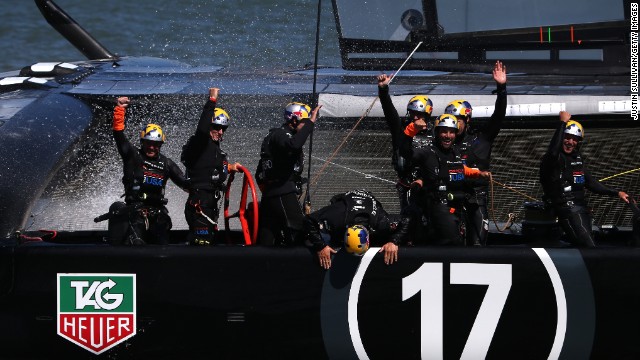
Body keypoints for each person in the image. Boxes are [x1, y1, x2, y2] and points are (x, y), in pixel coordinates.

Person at [106, 97, 189, 245]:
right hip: (135, 213)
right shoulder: (133, 156)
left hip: (158, 215)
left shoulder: (166, 163)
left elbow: (186, 184)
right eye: (148, 143)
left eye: (156, 145)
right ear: (142, 142)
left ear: (160, 145)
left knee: (163, 243)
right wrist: (119, 110)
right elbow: (118, 135)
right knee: (137, 242)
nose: (152, 147)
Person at [539, 111, 629, 247]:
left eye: (574, 139)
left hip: (581, 209)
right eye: (567, 137)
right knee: (588, 246)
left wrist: (617, 193)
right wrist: (562, 123)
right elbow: (552, 151)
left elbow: (591, 183)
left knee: (588, 244)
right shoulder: (553, 159)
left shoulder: (577, 158)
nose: (570, 142)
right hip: (567, 211)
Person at [400, 114, 491, 245]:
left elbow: (459, 169)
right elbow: (405, 152)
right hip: (439, 210)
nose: (448, 136)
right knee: (453, 246)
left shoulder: (455, 152)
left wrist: (478, 173)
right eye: (444, 131)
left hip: (457, 208)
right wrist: (412, 129)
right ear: (436, 132)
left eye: (451, 132)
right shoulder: (427, 152)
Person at [445, 60, 507, 246]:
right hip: (452, 199)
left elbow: (498, 116)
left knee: (478, 245)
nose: (455, 124)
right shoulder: (445, 142)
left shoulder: (481, 139)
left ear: (468, 119)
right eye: (451, 120)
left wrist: (501, 87)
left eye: (459, 120)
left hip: (477, 199)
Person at [181, 87, 241, 245]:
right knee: (202, 242)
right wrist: (212, 100)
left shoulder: (216, 151)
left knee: (207, 240)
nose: (220, 132)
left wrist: (229, 167)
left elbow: (209, 168)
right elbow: (201, 128)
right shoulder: (199, 143)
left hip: (210, 206)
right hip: (199, 204)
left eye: (223, 129)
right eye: (216, 127)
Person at [377, 74, 433, 243]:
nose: (415, 118)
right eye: (413, 114)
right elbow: (389, 111)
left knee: (430, 220)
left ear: (427, 115)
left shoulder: (436, 134)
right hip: (407, 184)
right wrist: (383, 90)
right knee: (409, 220)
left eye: (419, 114)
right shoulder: (400, 130)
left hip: (429, 184)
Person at [256, 101, 321, 246]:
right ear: (293, 120)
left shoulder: (282, 137)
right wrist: (310, 123)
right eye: (305, 122)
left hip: (275, 193)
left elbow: (259, 172)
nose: (309, 127)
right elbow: (294, 145)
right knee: (302, 232)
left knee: (270, 239)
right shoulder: (280, 134)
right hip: (281, 193)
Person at [305, 189, 404, 269]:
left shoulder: (381, 221)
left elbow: (406, 220)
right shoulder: (336, 216)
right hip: (345, 205)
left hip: (368, 205)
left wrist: (394, 241)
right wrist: (321, 246)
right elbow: (309, 219)